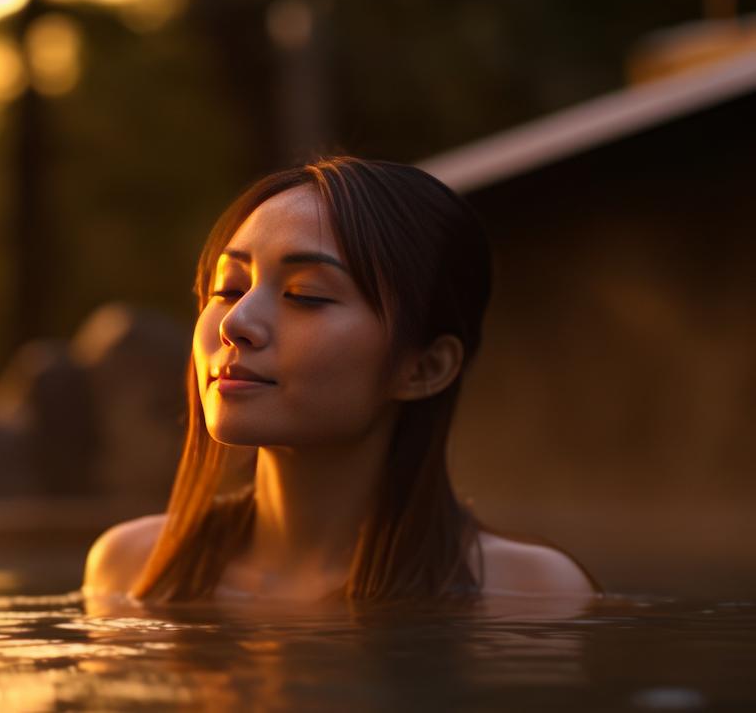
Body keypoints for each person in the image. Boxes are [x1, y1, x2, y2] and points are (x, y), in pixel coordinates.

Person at [83, 156, 601, 606]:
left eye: (306, 294)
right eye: (229, 287)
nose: (235, 323)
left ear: (424, 368)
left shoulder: (528, 595)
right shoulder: (132, 572)